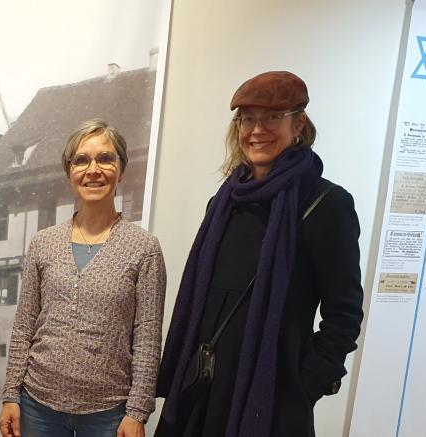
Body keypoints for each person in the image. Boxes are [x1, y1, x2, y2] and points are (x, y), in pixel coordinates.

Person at [155, 71, 364, 437]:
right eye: (247, 118)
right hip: (203, 392)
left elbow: (344, 313)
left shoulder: (326, 204)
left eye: (272, 117)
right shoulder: (222, 205)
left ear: (299, 123)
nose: (257, 129)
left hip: (268, 398)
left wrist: (305, 384)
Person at [0, 120, 167, 437]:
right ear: (69, 172)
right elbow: (24, 326)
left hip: (109, 414)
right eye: (81, 160)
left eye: (105, 158)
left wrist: (137, 412)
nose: (93, 170)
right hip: (37, 405)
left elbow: (147, 340)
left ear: (122, 170)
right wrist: (11, 395)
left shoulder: (144, 249)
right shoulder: (42, 243)